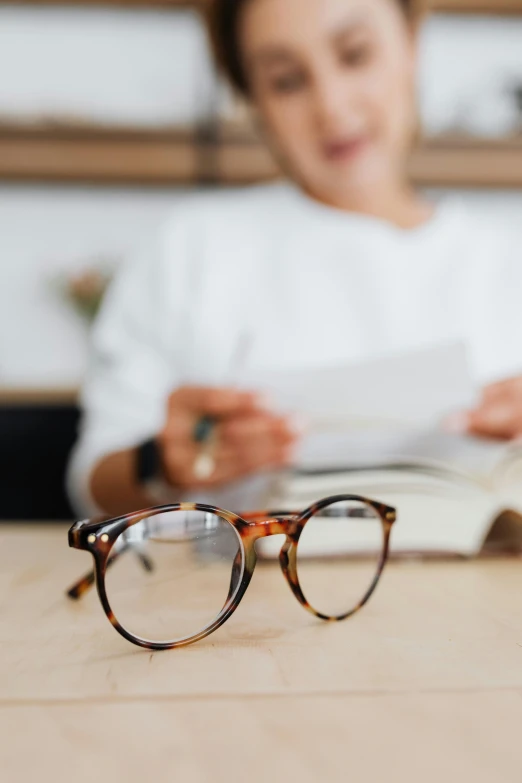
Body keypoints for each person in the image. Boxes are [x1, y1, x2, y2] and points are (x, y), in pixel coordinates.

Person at [68, 0, 522, 518]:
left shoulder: (508, 263)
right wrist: (159, 461)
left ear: (412, 44)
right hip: (243, 595)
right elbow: (91, 483)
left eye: (355, 55)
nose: (331, 106)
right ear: (252, 100)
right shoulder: (192, 248)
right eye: (286, 81)